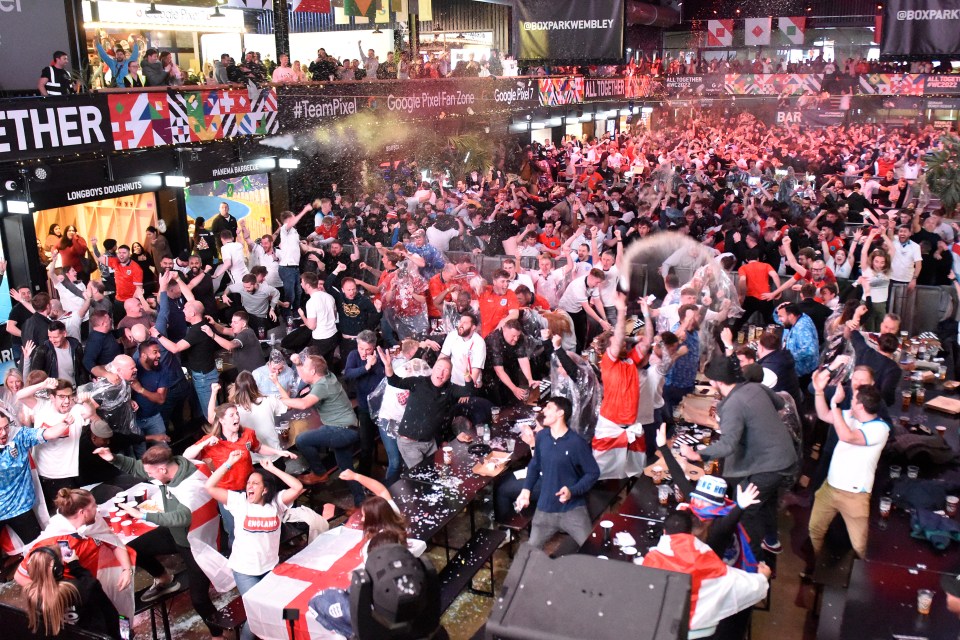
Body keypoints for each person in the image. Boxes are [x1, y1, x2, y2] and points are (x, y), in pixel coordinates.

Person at [95, 445, 228, 640]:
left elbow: (181, 518)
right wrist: (112, 457)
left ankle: (219, 634)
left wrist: (143, 515)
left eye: (151, 473)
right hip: (175, 535)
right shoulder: (169, 468)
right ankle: (163, 578)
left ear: (163, 470)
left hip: (194, 543)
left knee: (199, 599)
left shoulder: (190, 485)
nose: (147, 475)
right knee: (133, 547)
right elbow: (137, 467)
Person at [680, 354, 798, 558]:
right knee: (766, 503)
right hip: (785, 456)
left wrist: (696, 454)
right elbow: (779, 403)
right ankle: (772, 541)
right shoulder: (755, 387)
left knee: (743, 510)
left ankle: (749, 562)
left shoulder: (732, 404)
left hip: (768, 465)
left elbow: (727, 445)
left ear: (716, 381)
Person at [204, 452, 303, 640]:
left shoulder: (276, 503)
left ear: (265, 489)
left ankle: (290, 633)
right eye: (248, 483)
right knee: (257, 612)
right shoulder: (239, 502)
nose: (249, 486)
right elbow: (209, 486)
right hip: (245, 571)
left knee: (284, 605)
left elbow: (297, 486)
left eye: (255, 483)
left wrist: (272, 469)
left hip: (270, 567)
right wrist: (228, 463)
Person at [642, 510, 771, 639]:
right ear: (691, 532)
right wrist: (762, 578)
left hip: (659, 628)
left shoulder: (651, 559)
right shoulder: (706, 558)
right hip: (699, 631)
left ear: (664, 532)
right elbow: (737, 583)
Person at [808, 371, 889, 559]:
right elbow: (823, 414)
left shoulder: (880, 428)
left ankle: (856, 578)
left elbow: (847, 436)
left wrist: (835, 404)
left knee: (859, 544)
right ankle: (819, 566)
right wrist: (819, 392)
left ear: (860, 405)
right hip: (830, 487)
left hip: (855, 496)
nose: (850, 402)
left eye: (853, 401)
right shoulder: (850, 416)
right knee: (815, 529)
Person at [515, 397, 600, 549]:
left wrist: (572, 491)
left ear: (560, 413)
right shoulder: (541, 437)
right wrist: (526, 490)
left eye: (548, 407)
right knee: (531, 551)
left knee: (591, 549)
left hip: (573, 509)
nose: (543, 410)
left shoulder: (576, 443)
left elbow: (593, 473)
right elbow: (535, 465)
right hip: (545, 509)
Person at [279, 355, 364, 504]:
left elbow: (304, 404)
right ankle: (360, 501)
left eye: (306, 367)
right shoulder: (326, 376)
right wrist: (299, 364)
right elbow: (306, 377)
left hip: (341, 430)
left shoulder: (322, 386)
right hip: (350, 428)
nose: (303, 370)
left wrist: (279, 400)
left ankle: (319, 473)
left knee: (302, 440)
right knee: (346, 470)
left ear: (313, 371)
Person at [0, 409, 74, 550]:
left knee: (40, 549)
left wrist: (64, 423)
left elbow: (47, 433)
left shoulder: (19, 436)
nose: (4, 433)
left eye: (6, 427)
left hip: (20, 506)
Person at [378, 346, 454, 470]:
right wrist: (388, 366)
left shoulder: (447, 391)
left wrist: (443, 440)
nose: (441, 373)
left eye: (446, 370)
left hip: (430, 441)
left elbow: (444, 417)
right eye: (439, 368)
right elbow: (394, 381)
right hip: (410, 442)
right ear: (433, 368)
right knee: (421, 475)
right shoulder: (419, 382)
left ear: (450, 374)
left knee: (435, 472)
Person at [342, 331, 385, 477]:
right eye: (361, 348)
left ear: (374, 347)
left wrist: (375, 364)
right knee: (365, 445)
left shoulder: (381, 355)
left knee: (385, 441)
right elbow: (348, 374)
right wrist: (366, 367)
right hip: (364, 407)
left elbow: (385, 377)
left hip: (382, 407)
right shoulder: (353, 355)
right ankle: (363, 478)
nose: (364, 352)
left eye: (368, 349)